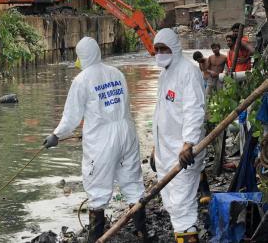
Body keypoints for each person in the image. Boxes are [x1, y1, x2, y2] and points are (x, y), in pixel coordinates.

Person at [43, 37, 147, 242]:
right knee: (133, 185)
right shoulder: (116, 73)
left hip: (101, 140)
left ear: (82, 56)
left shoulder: (82, 80)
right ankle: (143, 234)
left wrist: (56, 135)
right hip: (126, 132)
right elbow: (122, 104)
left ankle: (95, 238)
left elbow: (72, 116)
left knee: (97, 189)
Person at [151, 28, 206, 243]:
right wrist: (155, 148)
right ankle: (182, 236)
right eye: (156, 49)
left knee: (183, 203)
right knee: (173, 203)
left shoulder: (188, 72)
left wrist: (188, 143)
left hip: (184, 151)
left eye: (163, 48)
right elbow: (160, 113)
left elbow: (194, 110)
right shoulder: (164, 74)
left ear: (174, 47)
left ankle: (189, 238)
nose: (159, 53)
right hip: (165, 151)